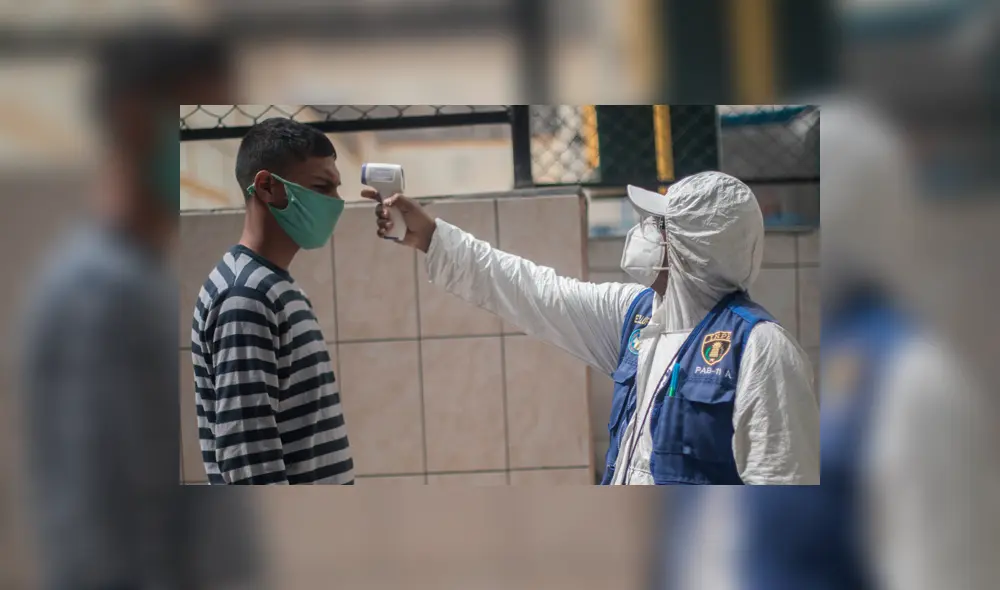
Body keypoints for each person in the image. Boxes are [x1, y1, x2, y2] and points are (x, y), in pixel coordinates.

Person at [368, 170, 820, 485]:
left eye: (658, 224)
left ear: (690, 248)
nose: (643, 232)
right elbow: (532, 291)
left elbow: (783, 494)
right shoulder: (637, 315)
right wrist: (432, 238)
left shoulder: (760, 349)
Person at [20, 26, 260, 590]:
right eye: (205, 124)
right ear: (133, 121)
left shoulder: (138, 283)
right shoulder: (100, 297)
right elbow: (101, 536)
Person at [190, 117, 354, 485]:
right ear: (267, 186)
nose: (336, 203)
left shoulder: (273, 286)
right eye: (321, 187)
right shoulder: (245, 297)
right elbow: (249, 461)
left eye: (336, 188)